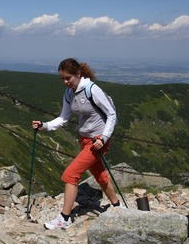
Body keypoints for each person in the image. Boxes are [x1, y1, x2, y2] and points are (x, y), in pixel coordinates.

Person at [32, 58, 122, 230]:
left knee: (70, 174)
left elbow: (111, 114)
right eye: (62, 79)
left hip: (97, 142)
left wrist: (103, 138)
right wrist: (44, 126)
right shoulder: (69, 93)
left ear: (78, 74)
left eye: (68, 78)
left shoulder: (91, 90)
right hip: (85, 139)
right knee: (99, 174)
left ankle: (64, 218)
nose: (65, 82)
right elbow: (64, 118)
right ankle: (117, 207)